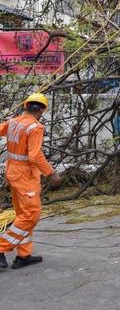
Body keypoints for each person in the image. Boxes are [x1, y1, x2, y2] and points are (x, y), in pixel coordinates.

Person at [0, 93, 61, 269]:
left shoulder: (13, 122)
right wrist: (51, 173)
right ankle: (1, 246)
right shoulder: (35, 127)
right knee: (31, 214)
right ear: (42, 110)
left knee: (22, 214)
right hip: (25, 176)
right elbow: (34, 156)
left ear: (25, 106)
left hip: (13, 173)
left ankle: (23, 255)